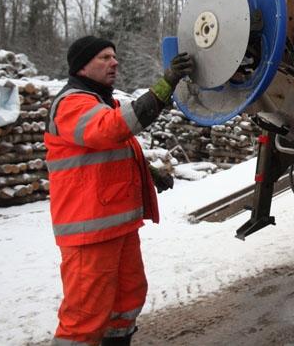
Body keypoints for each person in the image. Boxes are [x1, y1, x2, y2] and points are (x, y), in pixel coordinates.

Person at [45, 35, 193, 345]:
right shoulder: (71, 103)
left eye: (114, 56)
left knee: (126, 301)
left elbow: (110, 149)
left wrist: (145, 170)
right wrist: (166, 84)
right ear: (82, 66)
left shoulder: (100, 102)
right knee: (84, 317)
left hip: (117, 226)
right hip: (89, 233)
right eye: (104, 57)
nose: (114, 62)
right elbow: (111, 129)